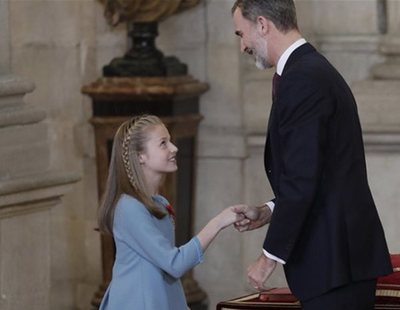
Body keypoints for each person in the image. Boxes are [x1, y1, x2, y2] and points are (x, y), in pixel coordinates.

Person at [230, 1, 393, 309]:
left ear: (262, 24)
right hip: (337, 263)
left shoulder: (303, 78)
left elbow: (303, 179)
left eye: (242, 33)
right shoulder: (307, 71)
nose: (242, 46)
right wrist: (268, 210)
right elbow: (318, 174)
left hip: (335, 263)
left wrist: (268, 258)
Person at [97, 115, 244, 310]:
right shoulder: (128, 207)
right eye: (163, 143)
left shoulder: (159, 203)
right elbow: (174, 263)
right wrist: (218, 222)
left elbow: (165, 272)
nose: (174, 148)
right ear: (140, 155)